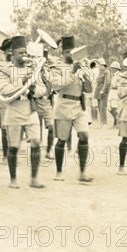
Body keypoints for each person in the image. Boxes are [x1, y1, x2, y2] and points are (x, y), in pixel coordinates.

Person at [0, 35, 46, 189]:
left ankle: (34, 179)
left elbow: (43, 89)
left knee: (36, 142)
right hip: (14, 109)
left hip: (30, 109)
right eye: (20, 53)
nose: (24, 56)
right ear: (12, 54)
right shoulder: (5, 70)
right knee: (13, 147)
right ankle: (13, 179)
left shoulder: (33, 69)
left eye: (25, 53)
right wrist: (22, 83)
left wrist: (33, 88)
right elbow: (4, 91)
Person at [49, 36, 94, 182]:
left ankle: (82, 172)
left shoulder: (81, 65)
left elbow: (88, 89)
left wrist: (86, 77)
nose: (70, 54)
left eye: (72, 51)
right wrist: (72, 72)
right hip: (63, 105)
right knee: (61, 140)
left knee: (84, 136)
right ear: (62, 53)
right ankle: (59, 172)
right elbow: (56, 86)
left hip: (79, 106)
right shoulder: (56, 66)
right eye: (67, 51)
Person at [94, 58, 111, 126]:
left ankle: (104, 122)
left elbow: (107, 82)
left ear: (103, 65)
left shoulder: (107, 72)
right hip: (98, 89)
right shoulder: (100, 72)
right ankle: (101, 122)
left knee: (102, 107)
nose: (99, 66)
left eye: (100, 65)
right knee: (99, 106)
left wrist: (103, 90)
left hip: (103, 90)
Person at [107, 61, 123, 128]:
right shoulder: (113, 75)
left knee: (114, 107)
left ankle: (117, 123)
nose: (113, 69)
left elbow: (120, 84)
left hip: (115, 92)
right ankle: (116, 121)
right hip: (111, 92)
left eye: (114, 68)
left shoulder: (119, 75)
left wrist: (116, 86)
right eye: (112, 68)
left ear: (117, 69)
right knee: (109, 108)